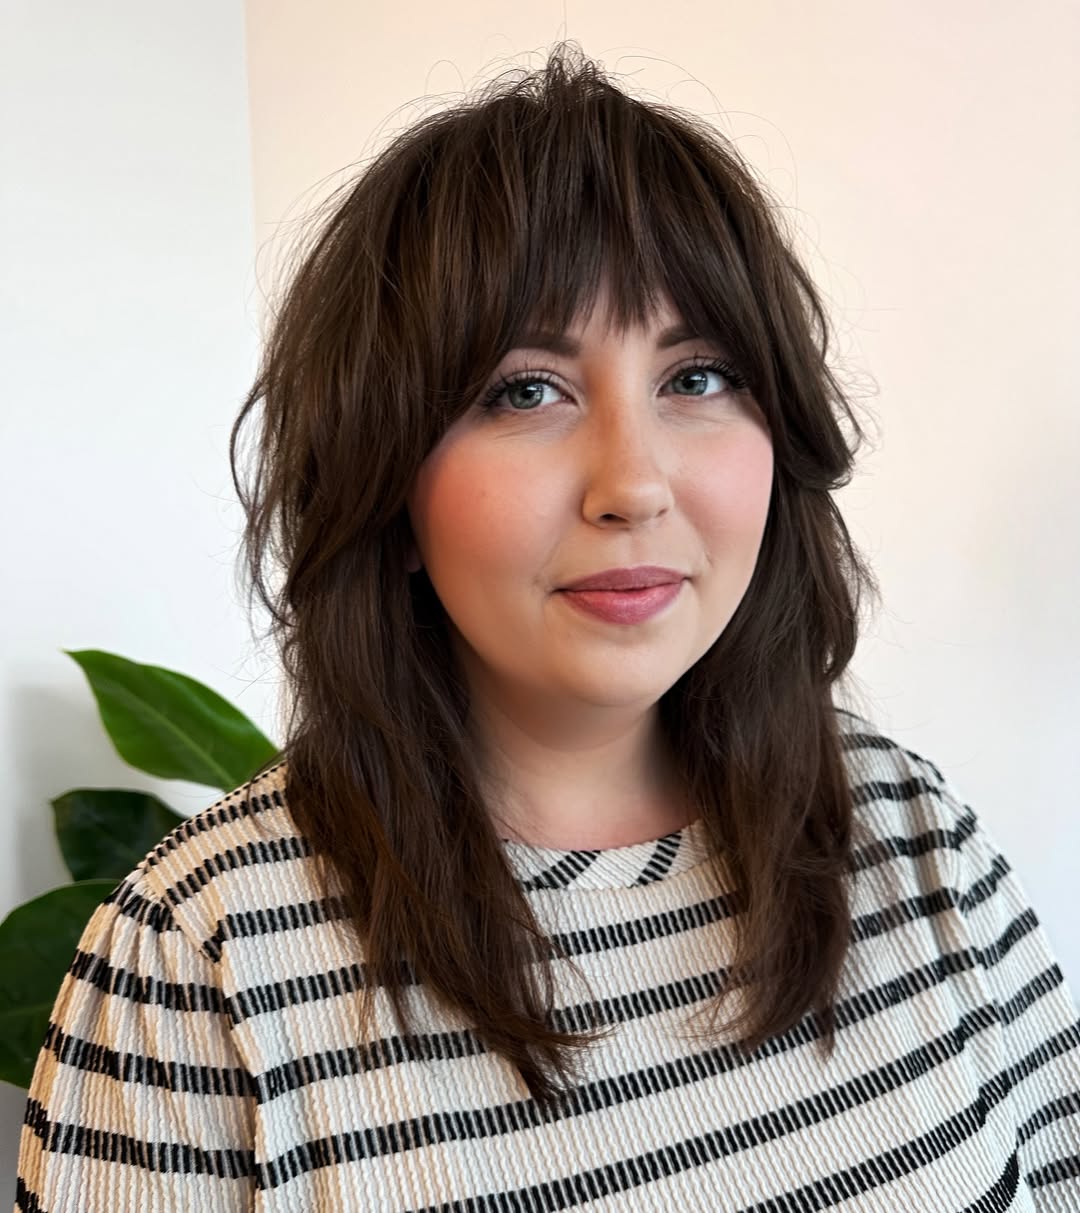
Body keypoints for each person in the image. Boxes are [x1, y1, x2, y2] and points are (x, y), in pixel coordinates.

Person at [15, 41, 1080, 1212]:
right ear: (388, 484)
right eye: (527, 390)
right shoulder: (194, 962)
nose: (634, 484)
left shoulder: (910, 837)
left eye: (701, 376)